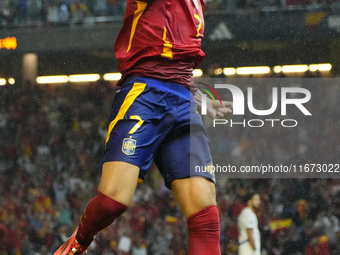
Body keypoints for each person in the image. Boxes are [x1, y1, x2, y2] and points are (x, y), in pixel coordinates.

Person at [54, 0, 233, 254]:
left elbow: (178, 62)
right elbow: (155, 57)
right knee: (112, 203)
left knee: (205, 216)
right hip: (144, 93)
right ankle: (78, 241)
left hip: (182, 99)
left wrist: (199, 95)